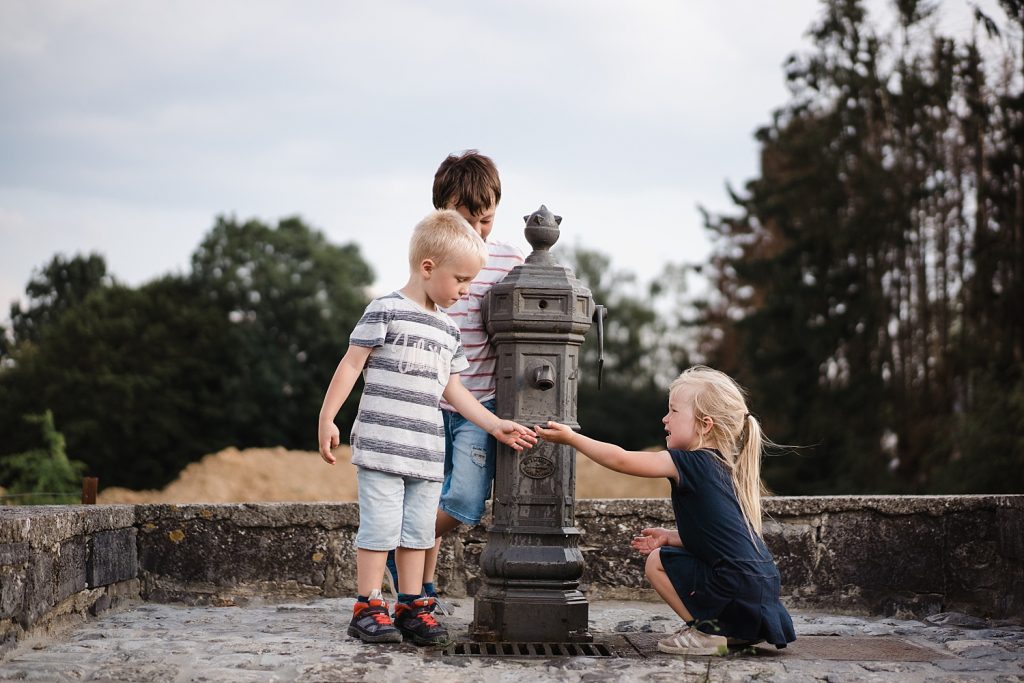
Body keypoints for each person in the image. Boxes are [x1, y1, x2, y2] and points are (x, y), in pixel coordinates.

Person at [317, 209, 536, 646]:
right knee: (380, 528)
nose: (466, 291)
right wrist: (327, 417)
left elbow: (455, 391)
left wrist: (495, 426)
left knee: (417, 532)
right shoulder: (385, 310)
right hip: (381, 447)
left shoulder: (448, 331)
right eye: (460, 280)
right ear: (428, 267)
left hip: (426, 454)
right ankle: (368, 605)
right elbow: (351, 364)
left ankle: (411, 606)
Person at [534, 365, 796, 655]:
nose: (665, 418)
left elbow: (622, 460)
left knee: (656, 562)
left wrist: (572, 439)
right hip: (760, 588)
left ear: (705, 425)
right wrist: (672, 537)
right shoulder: (726, 468)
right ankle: (731, 633)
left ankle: (705, 631)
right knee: (667, 551)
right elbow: (723, 539)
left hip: (735, 586)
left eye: (673, 411)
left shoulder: (687, 462)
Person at [385, 151, 526, 614]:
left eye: (486, 220)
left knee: (463, 496)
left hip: (480, 402)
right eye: (467, 220)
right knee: (430, 491)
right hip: (428, 403)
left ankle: (396, 548)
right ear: (440, 215)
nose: (478, 231)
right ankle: (421, 591)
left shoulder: (508, 258)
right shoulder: (429, 264)